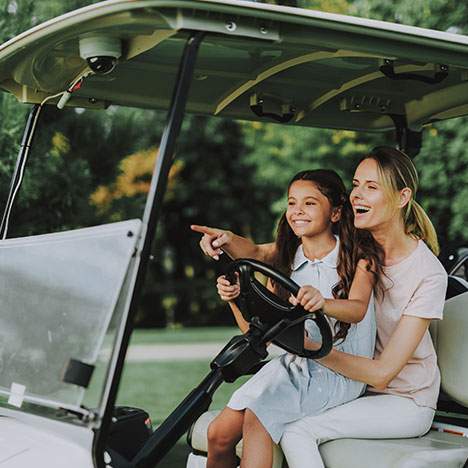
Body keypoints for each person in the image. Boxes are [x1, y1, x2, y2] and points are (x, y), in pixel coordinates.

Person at [192, 146, 448, 468]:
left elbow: (381, 374)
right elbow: (258, 251)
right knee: (238, 425)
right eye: (356, 184)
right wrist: (225, 241)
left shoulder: (425, 273)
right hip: (340, 376)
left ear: (401, 197)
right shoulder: (348, 245)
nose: (357, 194)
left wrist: (306, 346)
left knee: (295, 430)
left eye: (372, 187)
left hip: (401, 397)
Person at [194, 169, 381, 468]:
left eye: (309, 203)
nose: (297, 211)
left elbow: (357, 307)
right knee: (218, 434)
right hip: (293, 366)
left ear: (334, 212)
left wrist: (323, 303)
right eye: (292, 203)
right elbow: (255, 332)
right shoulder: (284, 259)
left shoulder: (359, 256)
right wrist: (233, 298)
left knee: (258, 419)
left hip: (338, 372)